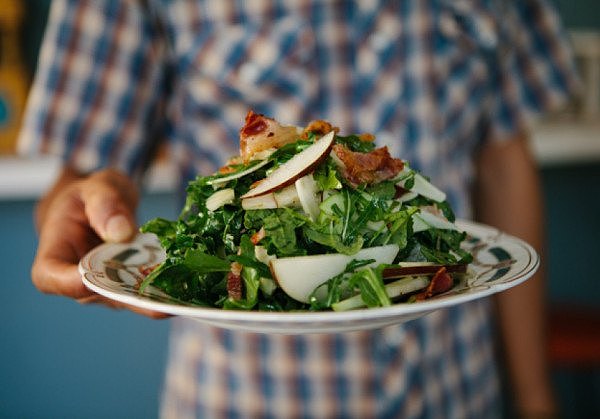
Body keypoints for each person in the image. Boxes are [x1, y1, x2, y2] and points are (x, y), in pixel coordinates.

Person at [19, 1, 578, 417]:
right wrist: (80, 216)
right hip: (245, 395)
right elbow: (86, 173)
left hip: (457, 386)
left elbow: (505, 159)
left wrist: (534, 398)